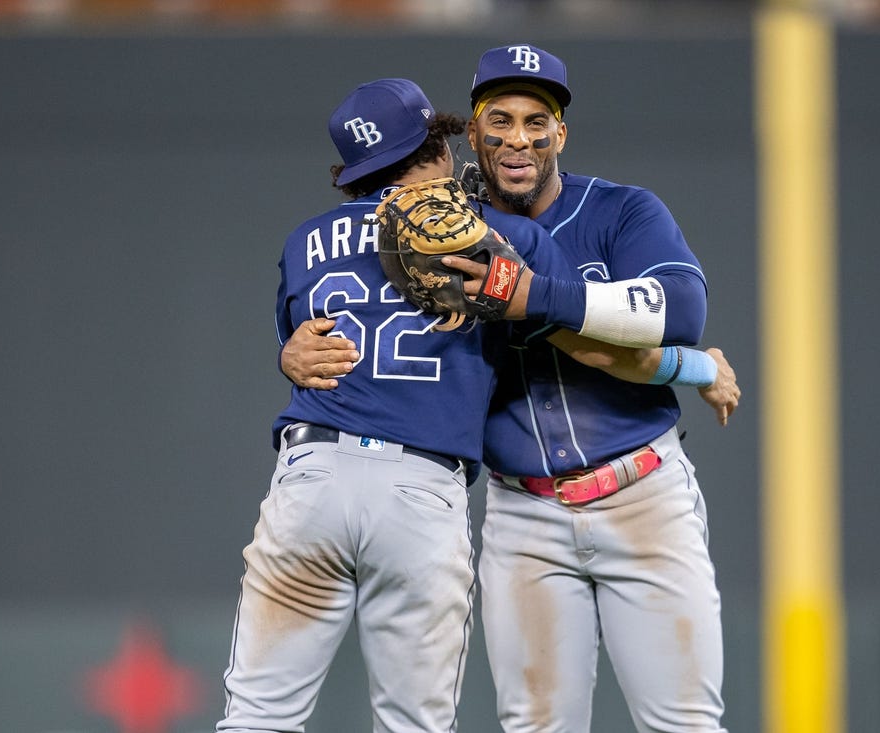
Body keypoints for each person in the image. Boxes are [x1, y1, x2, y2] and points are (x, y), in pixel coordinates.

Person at [219, 76, 737, 733]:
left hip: (310, 475)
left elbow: (298, 345)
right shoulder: (489, 233)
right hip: (424, 490)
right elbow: (595, 346)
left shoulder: (305, 241)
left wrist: (288, 356)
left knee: (258, 714)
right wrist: (697, 367)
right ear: (443, 143)